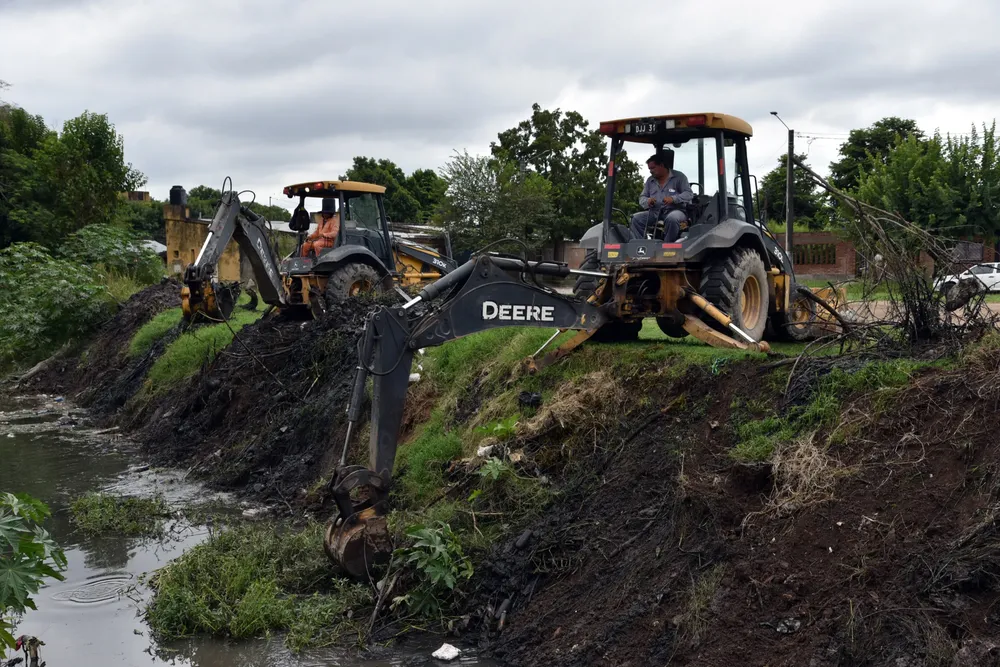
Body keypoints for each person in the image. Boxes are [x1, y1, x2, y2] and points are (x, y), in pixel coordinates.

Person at [631, 150, 693, 241]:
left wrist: (673, 199)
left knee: (672, 219)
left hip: (676, 210)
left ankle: (667, 246)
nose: (651, 171)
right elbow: (642, 197)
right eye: (649, 169)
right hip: (655, 212)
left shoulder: (679, 177)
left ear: (662, 165)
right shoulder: (650, 181)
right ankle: (641, 245)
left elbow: (689, 194)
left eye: (653, 168)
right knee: (635, 219)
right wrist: (648, 201)